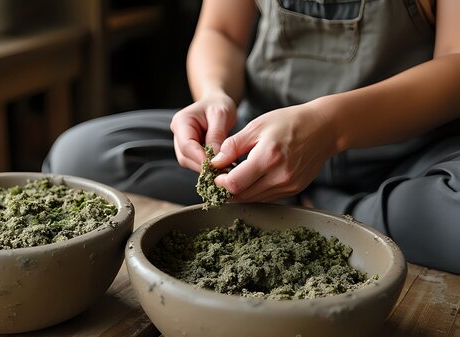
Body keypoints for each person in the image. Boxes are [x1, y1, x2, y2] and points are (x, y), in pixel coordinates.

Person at [43, 0, 460, 274]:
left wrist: (329, 126)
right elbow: (220, 33)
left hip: (404, 157)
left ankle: (320, 209)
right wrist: (214, 96)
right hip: (254, 140)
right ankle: (288, 201)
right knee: (80, 156)